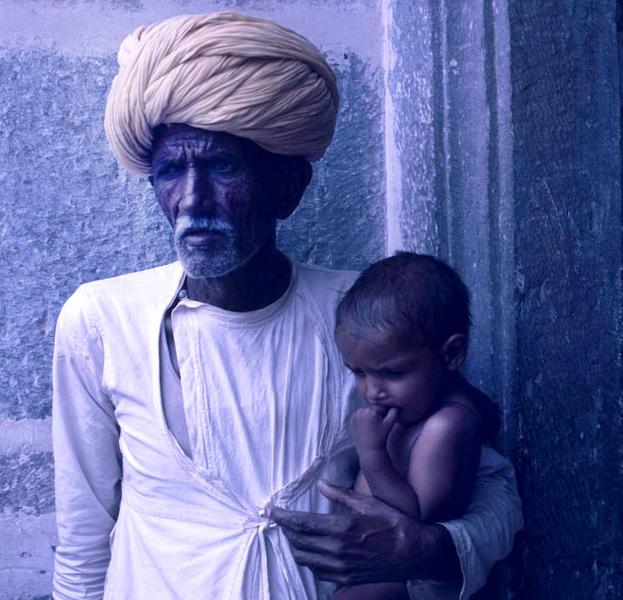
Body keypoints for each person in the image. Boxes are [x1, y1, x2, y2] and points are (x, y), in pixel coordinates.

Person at [52, 12, 522, 600]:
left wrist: (424, 549)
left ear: (287, 187)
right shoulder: (101, 320)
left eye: (222, 167)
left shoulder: (368, 321)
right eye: (171, 171)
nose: (192, 202)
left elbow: (496, 492)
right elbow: (83, 539)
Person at [328, 252, 501, 599]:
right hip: (371, 569)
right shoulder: (412, 405)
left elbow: (417, 516)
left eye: (392, 373)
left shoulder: (446, 424)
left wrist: (372, 453)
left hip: (399, 580)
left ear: (451, 354)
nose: (372, 390)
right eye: (359, 373)